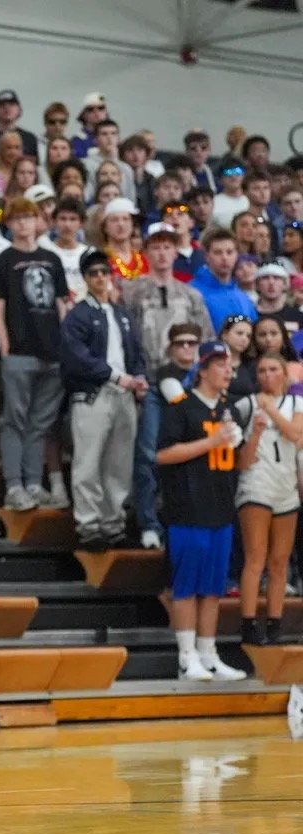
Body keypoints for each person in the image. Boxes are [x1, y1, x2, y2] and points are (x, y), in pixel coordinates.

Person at [156, 340, 252, 683]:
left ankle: (209, 653)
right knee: (186, 586)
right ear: (204, 369)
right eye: (221, 365)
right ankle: (186, 657)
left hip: (221, 507)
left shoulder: (229, 409)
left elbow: (243, 462)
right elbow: (163, 455)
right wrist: (211, 443)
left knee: (213, 588)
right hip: (187, 508)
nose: (228, 370)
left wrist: (253, 436)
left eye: (229, 365)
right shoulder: (181, 407)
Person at [121, 222, 214, 549]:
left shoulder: (191, 295)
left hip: (186, 384)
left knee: (187, 451)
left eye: (167, 247)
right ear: (146, 251)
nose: (162, 253)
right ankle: (148, 521)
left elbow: (206, 341)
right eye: (156, 247)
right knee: (148, 454)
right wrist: (134, 377)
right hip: (148, 382)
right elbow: (125, 340)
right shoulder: (131, 291)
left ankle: (181, 516)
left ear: (176, 251)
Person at [0, 197, 71, 512]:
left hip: (52, 352)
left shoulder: (52, 258)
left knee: (41, 422)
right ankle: (14, 486)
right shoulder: (2, 260)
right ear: (8, 224)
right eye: (17, 218)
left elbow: (61, 304)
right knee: (14, 420)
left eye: (28, 217)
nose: (23, 223)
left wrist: (64, 344)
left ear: (38, 221)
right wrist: (5, 346)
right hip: (19, 351)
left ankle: (34, 483)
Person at [60, 249, 147, 550]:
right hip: (93, 394)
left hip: (124, 394)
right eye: (93, 273)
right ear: (85, 279)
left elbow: (136, 352)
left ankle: (113, 522)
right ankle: (89, 524)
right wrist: (114, 375)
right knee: (88, 462)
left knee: (119, 464)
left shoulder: (122, 314)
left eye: (104, 272)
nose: (100, 278)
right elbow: (77, 358)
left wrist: (139, 377)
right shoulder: (78, 316)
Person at [233, 354, 303, 646]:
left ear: (285, 373)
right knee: (256, 557)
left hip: (286, 486)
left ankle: (275, 624)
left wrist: (271, 410)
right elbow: (239, 457)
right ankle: (248, 624)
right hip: (256, 483)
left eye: (273, 369)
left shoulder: (296, 403)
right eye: (261, 370)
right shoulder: (246, 405)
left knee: (279, 561)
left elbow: (295, 434)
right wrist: (256, 430)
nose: (267, 374)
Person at [192, 228, 256, 332]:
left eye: (229, 252)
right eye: (218, 253)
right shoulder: (193, 292)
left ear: (236, 255)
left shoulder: (243, 297)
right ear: (206, 256)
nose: (224, 258)